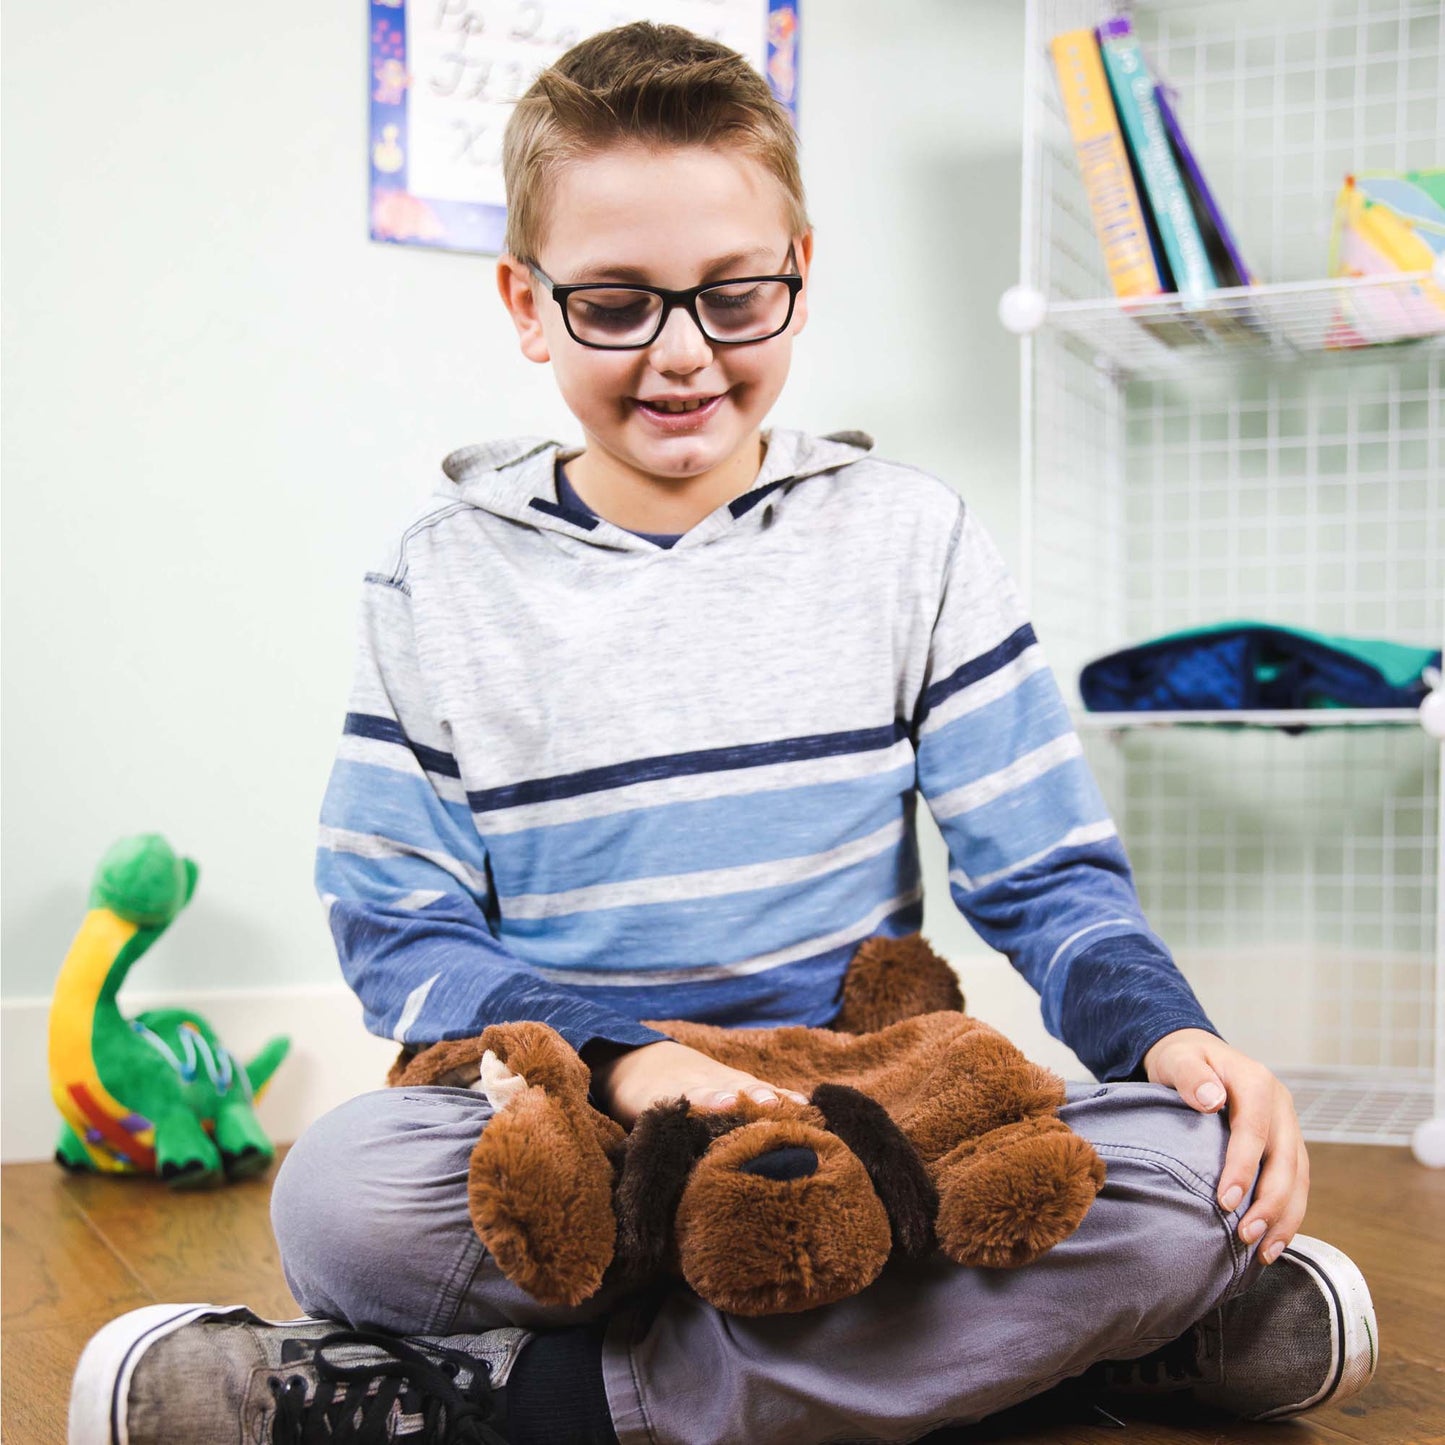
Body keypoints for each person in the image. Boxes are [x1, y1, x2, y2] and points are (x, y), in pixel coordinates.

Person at [68, 21, 1377, 1445]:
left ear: (799, 275)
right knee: (339, 1201)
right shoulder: (435, 580)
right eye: (615, 304)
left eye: (735, 296)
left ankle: (522, 1403)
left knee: (1191, 1169)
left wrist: (1169, 1033)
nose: (683, 354)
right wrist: (629, 1060)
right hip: (582, 1105)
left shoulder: (914, 539)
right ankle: (1050, 1349)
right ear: (526, 302)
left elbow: (1045, 871)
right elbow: (399, 927)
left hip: (862, 1111)